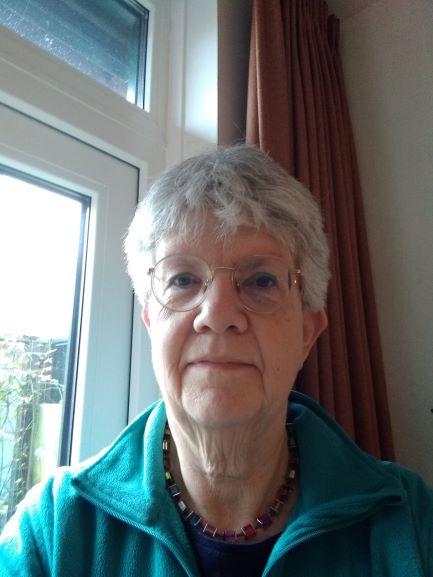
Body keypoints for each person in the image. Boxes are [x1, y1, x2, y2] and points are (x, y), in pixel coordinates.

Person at [1, 145, 432, 577]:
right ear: (151, 323)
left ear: (307, 333)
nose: (218, 313)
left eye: (261, 280)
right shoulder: (51, 533)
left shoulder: (412, 522)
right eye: (183, 279)